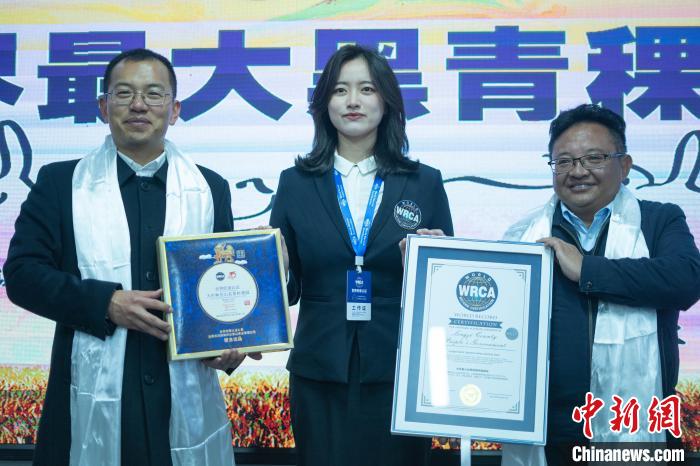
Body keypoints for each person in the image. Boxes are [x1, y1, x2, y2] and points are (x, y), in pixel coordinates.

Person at [3, 48, 259, 466]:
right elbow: (22, 275)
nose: (139, 105)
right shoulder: (61, 183)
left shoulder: (210, 188)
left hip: (180, 401)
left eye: (154, 94)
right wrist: (105, 302)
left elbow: (223, 282)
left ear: (175, 110)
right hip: (88, 400)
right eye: (124, 93)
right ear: (103, 107)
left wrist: (229, 344)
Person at [269, 44, 453, 466]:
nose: (353, 101)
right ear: (324, 104)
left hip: (399, 368)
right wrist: (272, 268)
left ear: (386, 101)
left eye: (366, 89)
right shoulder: (295, 182)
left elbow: (443, 294)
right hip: (319, 367)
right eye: (340, 90)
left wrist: (433, 265)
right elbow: (288, 289)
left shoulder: (424, 182)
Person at [500, 104, 700, 465]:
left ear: (625, 166)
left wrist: (588, 270)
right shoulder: (523, 235)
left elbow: (686, 279)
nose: (577, 171)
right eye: (563, 161)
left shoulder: (659, 220)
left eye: (594, 158)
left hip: (637, 425)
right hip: (548, 433)